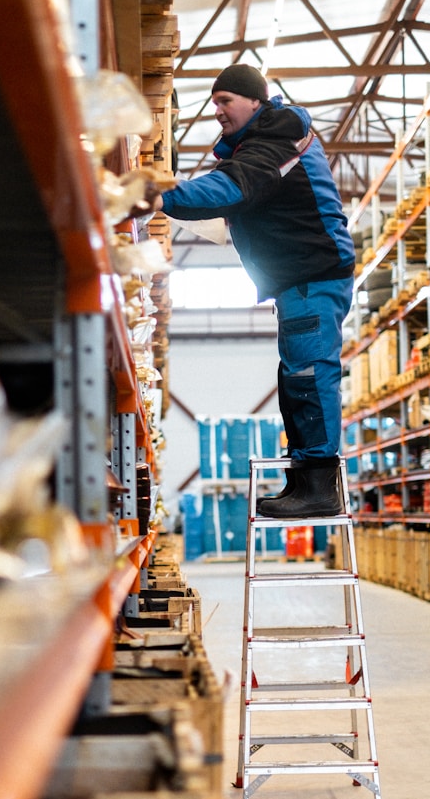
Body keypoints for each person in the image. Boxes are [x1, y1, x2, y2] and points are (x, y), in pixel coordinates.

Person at [147, 63, 355, 518]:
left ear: (255, 101)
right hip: (297, 279)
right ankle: (304, 481)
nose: (217, 110)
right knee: (294, 378)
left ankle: (320, 488)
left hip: (314, 274)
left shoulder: (279, 135)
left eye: (226, 101)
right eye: (215, 102)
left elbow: (235, 186)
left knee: (310, 375)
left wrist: (160, 196)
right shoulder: (259, 143)